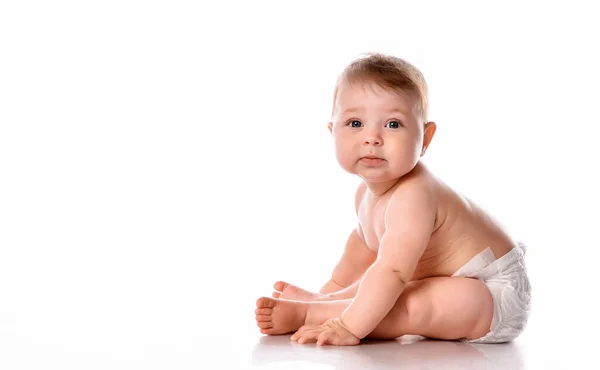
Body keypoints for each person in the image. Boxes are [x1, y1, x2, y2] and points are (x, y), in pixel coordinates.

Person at [254, 53, 531, 346]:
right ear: (332, 131)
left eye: (393, 125)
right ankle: (324, 304)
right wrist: (329, 291)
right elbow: (358, 256)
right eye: (355, 123)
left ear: (425, 138)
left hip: (493, 295)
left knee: (413, 300)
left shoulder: (415, 194)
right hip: (433, 280)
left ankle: (315, 315)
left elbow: (393, 273)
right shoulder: (365, 194)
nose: (372, 137)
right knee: (384, 283)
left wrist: (347, 326)